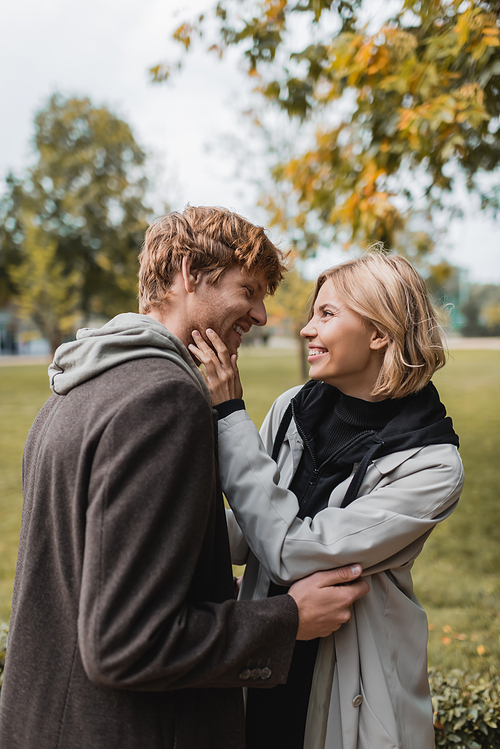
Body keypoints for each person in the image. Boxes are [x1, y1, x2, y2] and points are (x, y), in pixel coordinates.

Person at [0, 206, 370, 749]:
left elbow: (95, 572)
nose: (262, 314)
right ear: (187, 272)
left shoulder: (78, 384)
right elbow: (127, 642)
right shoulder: (165, 397)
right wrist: (287, 618)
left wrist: (220, 586)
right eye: (249, 289)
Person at [189, 251, 465, 749]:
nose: (306, 329)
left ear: (380, 332)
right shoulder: (292, 409)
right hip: (264, 656)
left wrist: (230, 418)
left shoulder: (433, 466)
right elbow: (253, 529)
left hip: (349, 695)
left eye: (327, 314)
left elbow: (293, 551)